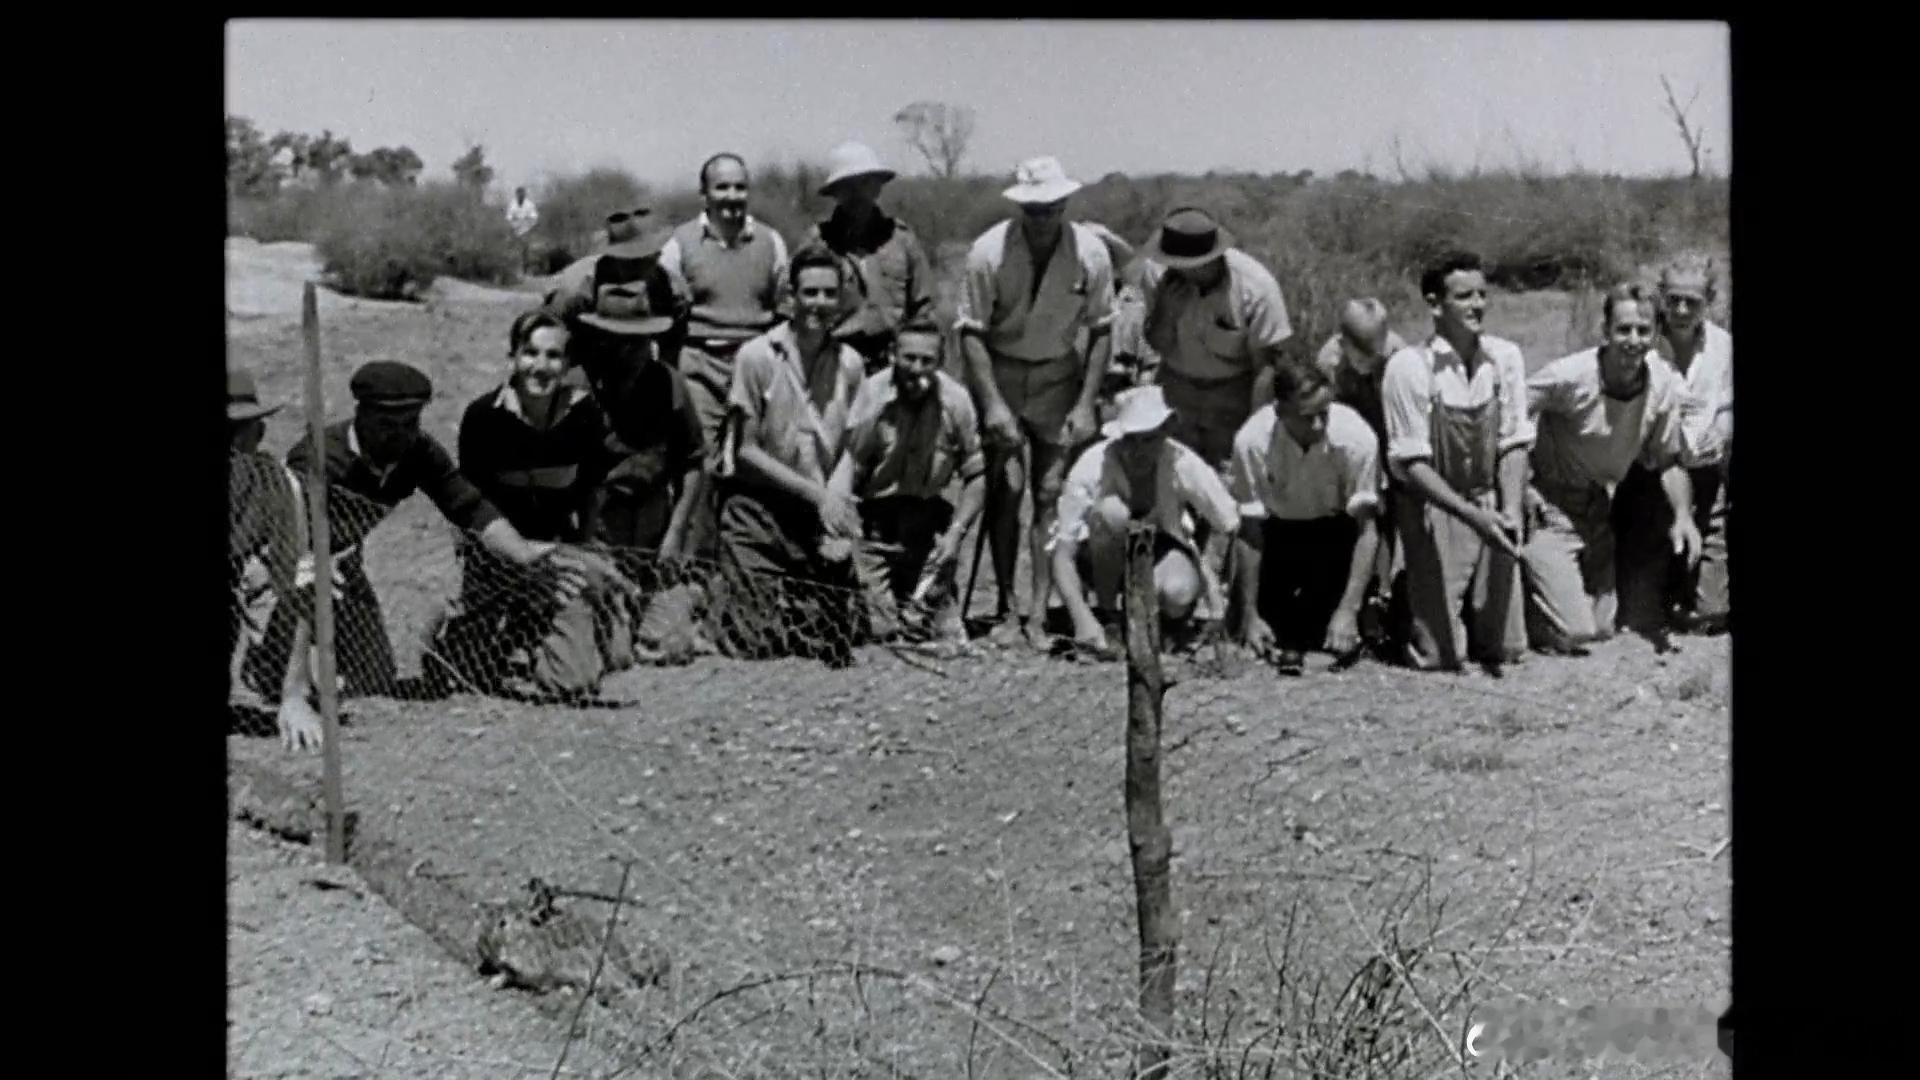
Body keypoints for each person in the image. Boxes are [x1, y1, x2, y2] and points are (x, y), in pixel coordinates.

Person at [241, 361, 621, 703]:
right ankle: (266, 656)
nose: (400, 435)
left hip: (343, 564)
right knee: (278, 686)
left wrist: (522, 551)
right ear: (361, 415)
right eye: (387, 425)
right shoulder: (321, 456)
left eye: (410, 424)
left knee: (373, 682)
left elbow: (470, 508)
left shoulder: (418, 452)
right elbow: (291, 540)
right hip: (282, 563)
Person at [427, 309, 655, 696]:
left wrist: (585, 550)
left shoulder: (584, 415)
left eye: (553, 356)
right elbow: (470, 511)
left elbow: (591, 492)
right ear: (513, 357)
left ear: (567, 364)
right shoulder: (483, 418)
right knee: (468, 673)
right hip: (499, 559)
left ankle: (532, 633)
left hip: (558, 554)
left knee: (591, 671)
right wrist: (511, 560)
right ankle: (454, 624)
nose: (541, 366)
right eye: (530, 353)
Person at [955, 156, 1116, 649]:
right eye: (1034, 208)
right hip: (1001, 370)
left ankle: (1040, 612)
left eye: (1052, 206)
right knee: (1006, 488)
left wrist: (1086, 404)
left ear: (1065, 203)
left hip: (1057, 375)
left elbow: (1102, 329)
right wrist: (993, 405)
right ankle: (1007, 604)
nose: (1043, 216)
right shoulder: (988, 252)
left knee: (1051, 493)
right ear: (1020, 207)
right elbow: (970, 332)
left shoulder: (1090, 253)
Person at [1519, 282, 1707, 653]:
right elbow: (1512, 410)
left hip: (1598, 510)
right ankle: (1514, 588)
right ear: (1605, 331)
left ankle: (1552, 588)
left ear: (1655, 334)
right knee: (1576, 632)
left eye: (1643, 331)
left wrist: (1683, 517)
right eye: (1623, 330)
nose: (1633, 341)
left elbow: (1667, 461)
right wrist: (1520, 484)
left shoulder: (1661, 385)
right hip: (1551, 507)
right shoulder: (1570, 376)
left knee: (1604, 627)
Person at [711, 243, 869, 665]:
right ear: (791, 297)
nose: (819, 303)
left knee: (844, 633)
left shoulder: (851, 364)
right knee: (756, 642)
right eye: (810, 292)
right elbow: (745, 450)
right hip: (758, 508)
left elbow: (851, 448)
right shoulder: (756, 357)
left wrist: (835, 508)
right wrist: (818, 496)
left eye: (829, 293)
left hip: (816, 514)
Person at [1380, 250, 1531, 673]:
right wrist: (1470, 516)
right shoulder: (1410, 367)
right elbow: (1412, 464)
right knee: (1441, 656)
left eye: (1482, 295)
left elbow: (1514, 441)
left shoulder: (1504, 358)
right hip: (1435, 509)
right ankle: (1404, 598)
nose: (1477, 305)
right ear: (1434, 304)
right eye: (1464, 296)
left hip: (1487, 502)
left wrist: (1510, 510)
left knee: (1506, 648)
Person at [658, 153, 791, 556]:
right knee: (701, 464)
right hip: (699, 364)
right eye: (722, 187)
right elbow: (666, 310)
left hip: (755, 366)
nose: (732, 196)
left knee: (756, 461)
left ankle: (749, 559)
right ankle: (696, 562)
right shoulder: (680, 244)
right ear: (705, 194)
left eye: (740, 187)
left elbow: (784, 306)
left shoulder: (771, 242)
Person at [829, 318, 988, 649]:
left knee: (931, 631)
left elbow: (976, 475)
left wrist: (956, 534)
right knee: (879, 632)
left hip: (927, 523)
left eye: (927, 360)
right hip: (875, 524)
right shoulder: (871, 394)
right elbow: (850, 465)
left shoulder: (956, 401)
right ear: (892, 355)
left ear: (940, 361)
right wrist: (841, 525)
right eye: (909, 358)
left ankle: (926, 596)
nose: (917, 368)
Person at [1050, 385, 1241, 657]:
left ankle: (1164, 624)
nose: (1139, 450)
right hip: (1098, 558)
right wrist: (1082, 618)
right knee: (1111, 511)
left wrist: (1222, 604)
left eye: (1149, 439)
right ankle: (1107, 616)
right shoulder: (1091, 464)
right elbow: (1062, 552)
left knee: (1178, 591)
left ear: (1165, 431)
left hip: (1159, 551)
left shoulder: (1183, 461)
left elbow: (1231, 523)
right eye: (1131, 440)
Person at [1228, 362, 1384, 675]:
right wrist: (1250, 613)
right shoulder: (1251, 442)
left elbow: (1367, 530)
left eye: (1324, 413)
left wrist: (1348, 609)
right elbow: (1250, 531)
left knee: (1328, 635)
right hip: (1277, 534)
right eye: (1306, 416)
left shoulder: (1357, 439)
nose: (1318, 425)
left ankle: (1365, 608)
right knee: (1264, 635)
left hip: (1335, 533)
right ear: (1280, 411)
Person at [1133, 207, 1295, 467]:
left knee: (1226, 475)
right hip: (1176, 390)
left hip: (1231, 397)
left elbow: (1265, 369)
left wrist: (1255, 433)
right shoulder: (1157, 275)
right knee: (1172, 471)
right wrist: (1166, 312)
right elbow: (1156, 344)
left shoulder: (1255, 287)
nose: (1172, 267)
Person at [227, 370, 325, 749]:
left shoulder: (276, 486)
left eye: (236, 434)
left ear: (256, 434)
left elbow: (299, 584)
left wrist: (294, 694)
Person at [1312, 297, 1411, 643]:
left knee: (1392, 513)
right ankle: (1358, 588)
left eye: (1376, 351)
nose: (1372, 359)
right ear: (1343, 342)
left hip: (1391, 438)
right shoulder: (1329, 362)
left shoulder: (1400, 356)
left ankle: (1385, 593)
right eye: (1363, 353)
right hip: (1354, 443)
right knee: (1363, 513)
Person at [1644, 251, 1732, 633]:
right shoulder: (1643, 341)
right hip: (1652, 478)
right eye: (1673, 299)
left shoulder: (1723, 346)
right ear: (1660, 296)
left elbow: (1727, 406)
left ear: (1708, 301)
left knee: (1710, 614)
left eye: (1692, 302)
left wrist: (1723, 429)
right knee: (1643, 612)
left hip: (1708, 478)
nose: (1680, 310)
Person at [800, 142, 936, 374]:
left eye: (864, 183)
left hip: (891, 363)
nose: (857, 193)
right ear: (836, 192)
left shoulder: (901, 240)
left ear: (877, 187)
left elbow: (923, 307)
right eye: (847, 186)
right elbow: (795, 305)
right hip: (833, 359)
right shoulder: (817, 242)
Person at [506, 186, 540, 271]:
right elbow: (509, 216)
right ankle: (515, 267)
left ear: (524, 194)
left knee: (525, 248)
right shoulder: (512, 204)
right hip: (515, 229)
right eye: (519, 193)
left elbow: (534, 217)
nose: (520, 195)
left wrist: (527, 220)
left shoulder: (529, 204)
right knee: (514, 249)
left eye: (522, 193)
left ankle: (525, 267)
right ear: (516, 194)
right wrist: (514, 222)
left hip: (526, 229)